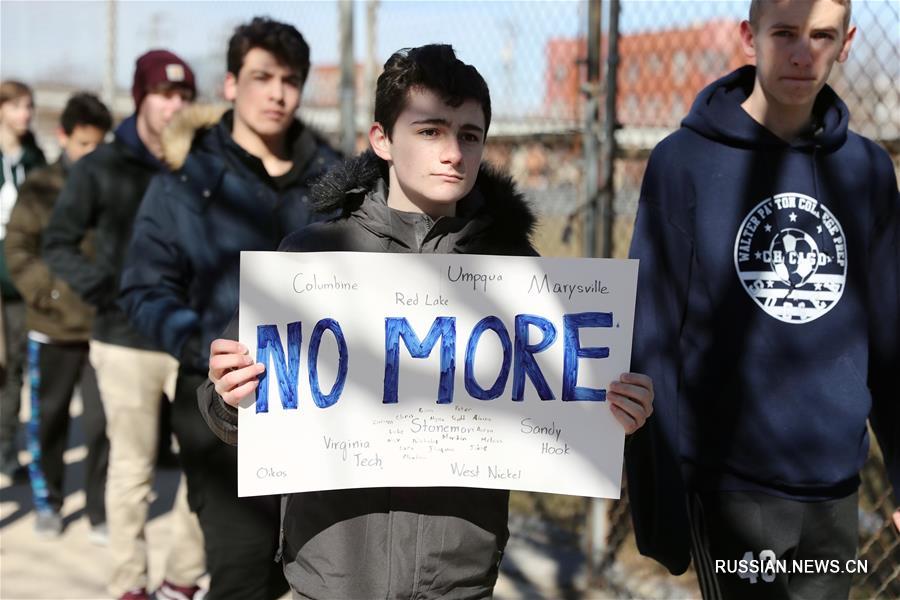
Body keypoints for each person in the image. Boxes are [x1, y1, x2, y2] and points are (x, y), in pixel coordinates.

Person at [199, 44, 655, 599]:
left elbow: (565, 404)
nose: (453, 153)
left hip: (457, 577)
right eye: (430, 131)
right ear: (382, 140)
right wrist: (230, 395)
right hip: (332, 572)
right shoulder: (309, 260)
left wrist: (614, 414)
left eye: (469, 134)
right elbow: (229, 413)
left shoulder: (515, 271)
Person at [625, 1, 899, 598]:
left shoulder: (870, 171)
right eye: (785, 34)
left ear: (847, 41)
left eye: (822, 36)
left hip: (834, 487)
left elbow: (891, 335)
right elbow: (651, 334)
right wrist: (659, 494)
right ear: (749, 36)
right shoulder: (683, 163)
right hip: (731, 489)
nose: (804, 53)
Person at [119, 17, 340, 600]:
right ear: (231, 84)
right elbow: (143, 290)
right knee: (243, 567)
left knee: (295, 566)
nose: (277, 93)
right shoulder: (186, 180)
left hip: (320, 403)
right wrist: (205, 350)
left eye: (290, 80)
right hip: (218, 407)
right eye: (261, 76)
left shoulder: (336, 181)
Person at [43, 51, 205, 600]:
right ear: (141, 97)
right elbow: (57, 241)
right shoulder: (101, 166)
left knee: (206, 469)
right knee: (130, 471)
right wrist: (107, 291)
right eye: (164, 93)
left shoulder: (204, 163)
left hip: (194, 339)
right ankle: (128, 586)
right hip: (125, 340)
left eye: (184, 96)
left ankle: (181, 580)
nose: (175, 105)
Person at [5, 92, 111, 539]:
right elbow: (17, 247)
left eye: (99, 145)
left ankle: (99, 510)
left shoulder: (114, 186)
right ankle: (49, 501)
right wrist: (43, 293)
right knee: (48, 420)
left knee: (102, 425)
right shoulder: (41, 186)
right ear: (64, 136)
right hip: (51, 329)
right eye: (83, 144)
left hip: (104, 329)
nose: (91, 154)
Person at [0, 80, 46, 481]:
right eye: (16, 106)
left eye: (29, 106)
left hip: (16, 286)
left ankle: (5, 449)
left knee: (13, 368)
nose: (25, 114)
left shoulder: (35, 160)